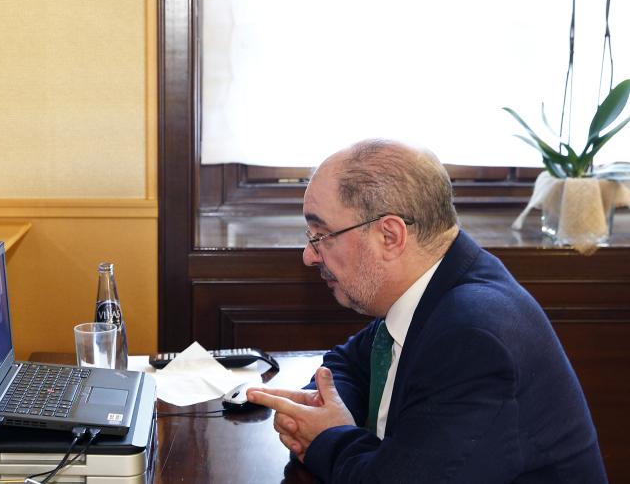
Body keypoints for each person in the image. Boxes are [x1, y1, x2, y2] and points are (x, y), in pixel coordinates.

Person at [247, 139, 607, 482]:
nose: (309, 255)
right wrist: (321, 408)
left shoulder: (472, 335)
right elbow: (348, 363)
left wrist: (328, 435)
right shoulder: (436, 283)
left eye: (320, 235)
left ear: (390, 236)